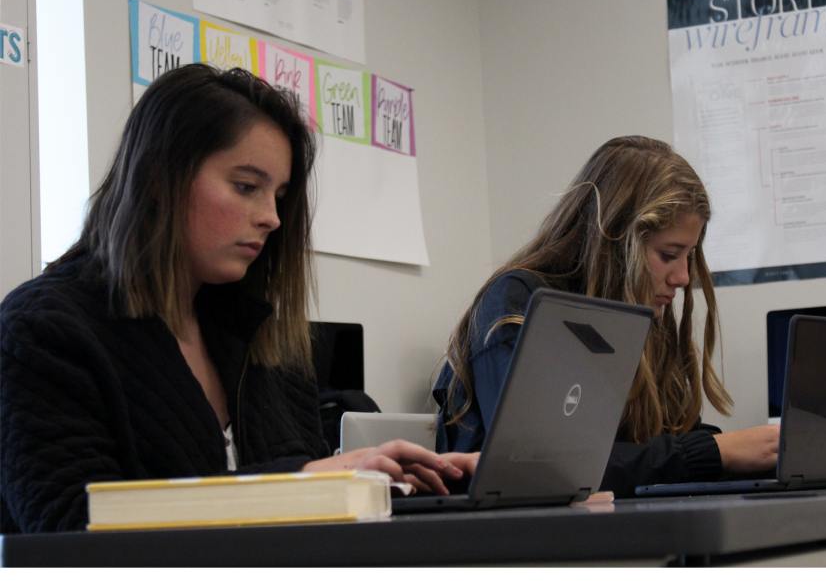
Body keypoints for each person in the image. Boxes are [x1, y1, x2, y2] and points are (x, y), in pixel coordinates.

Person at [0, 65, 475, 534]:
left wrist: (412, 488)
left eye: (279, 195)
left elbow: (305, 528)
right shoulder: (41, 331)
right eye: (246, 187)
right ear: (156, 179)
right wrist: (299, 482)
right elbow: (65, 528)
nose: (272, 218)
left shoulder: (271, 347)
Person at [433, 136, 779, 498]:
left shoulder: (640, 316)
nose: (683, 277)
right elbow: (545, 468)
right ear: (616, 242)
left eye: (688, 256)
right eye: (669, 254)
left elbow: (667, 443)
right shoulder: (517, 303)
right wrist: (714, 453)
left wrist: (749, 454)